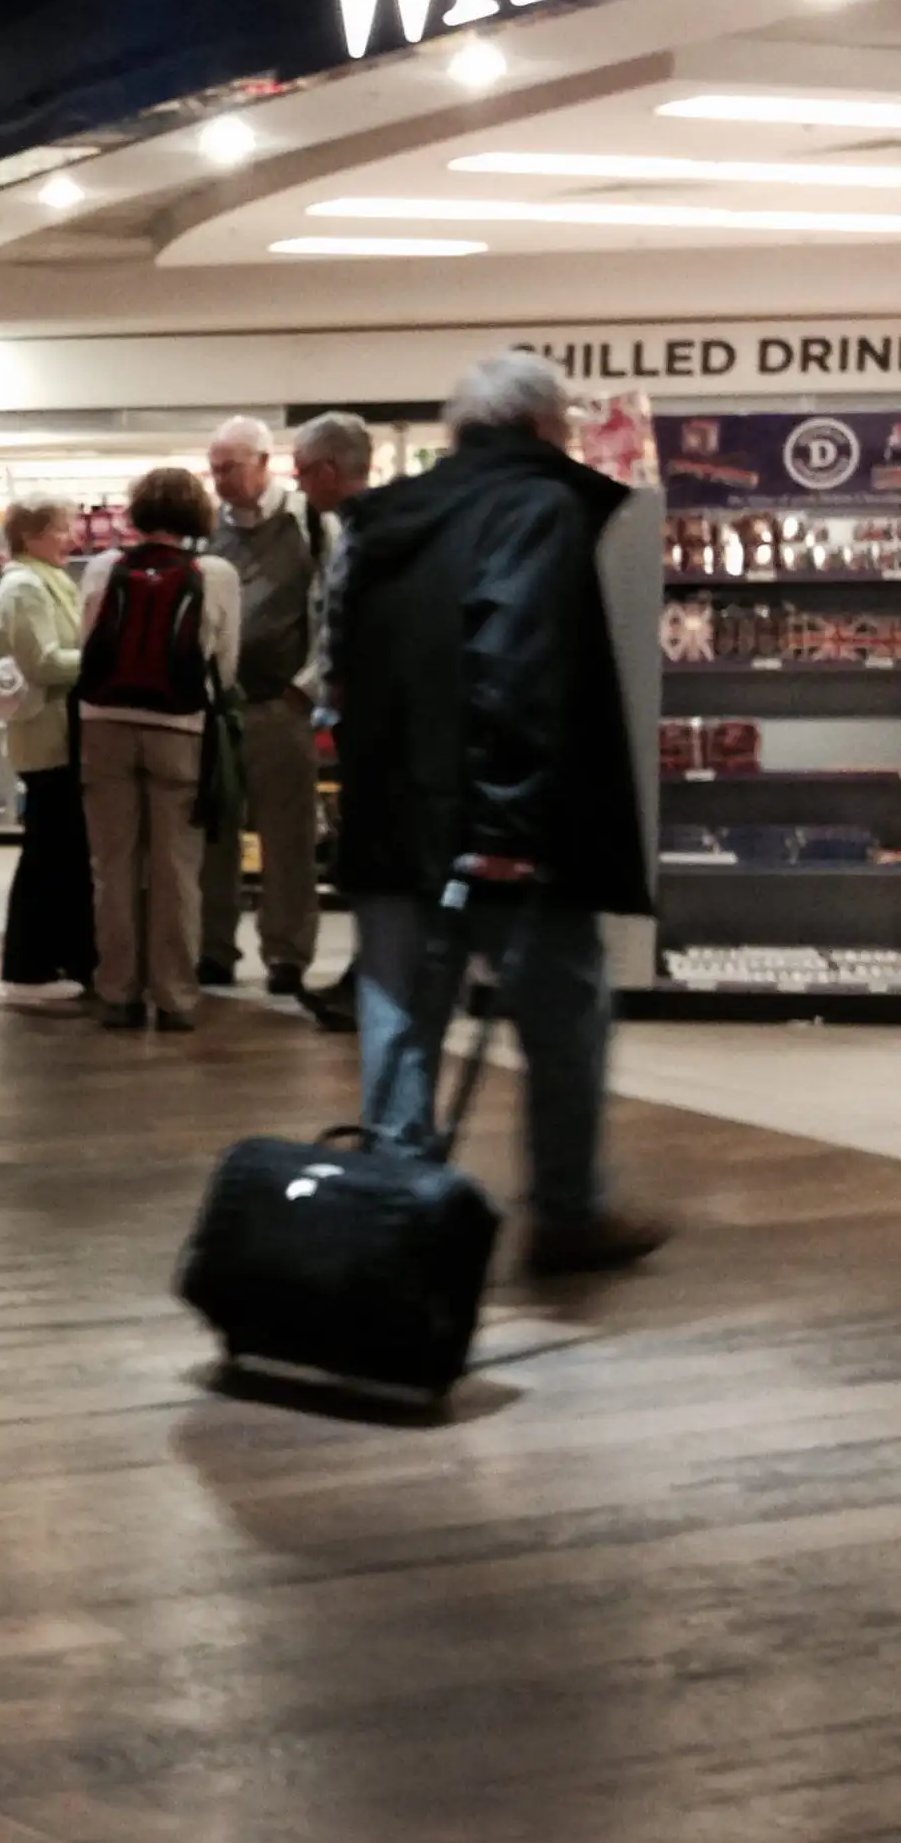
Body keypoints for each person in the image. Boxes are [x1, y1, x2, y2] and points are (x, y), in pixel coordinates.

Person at [334, 351, 663, 1275]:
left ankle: (392, 1218)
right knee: (563, 1018)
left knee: (400, 1020)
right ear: (545, 425)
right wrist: (510, 826)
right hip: (509, 836)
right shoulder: (544, 509)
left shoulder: (385, 518)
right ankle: (565, 1209)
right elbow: (519, 659)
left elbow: (345, 672)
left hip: (395, 823)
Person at [76, 466, 241, 1030]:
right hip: (181, 729)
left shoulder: (104, 566)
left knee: (113, 865)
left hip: (104, 726)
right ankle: (174, 997)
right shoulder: (214, 572)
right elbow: (225, 663)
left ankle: (118, 992)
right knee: (176, 868)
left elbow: (85, 644)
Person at [200, 416, 327, 1001]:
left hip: (282, 703)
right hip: (220, 707)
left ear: (263, 463)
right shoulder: (208, 530)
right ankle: (213, 948)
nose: (220, 478)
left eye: (230, 467)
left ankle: (287, 953)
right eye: (215, 468)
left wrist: (308, 686)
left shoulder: (311, 525)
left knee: (288, 838)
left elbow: (330, 611)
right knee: (216, 834)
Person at [0, 495, 94, 1005]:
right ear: (30, 535)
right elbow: (43, 663)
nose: (71, 538)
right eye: (60, 529)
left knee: (57, 852)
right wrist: (101, 658)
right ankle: (30, 964)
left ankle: (55, 958)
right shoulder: (25, 586)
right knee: (51, 853)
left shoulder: (46, 581)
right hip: (47, 737)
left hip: (58, 735)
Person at [287, 411, 378, 1033]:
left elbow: (349, 631)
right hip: (367, 721)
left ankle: (373, 985)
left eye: (301, 472)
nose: (298, 485)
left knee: (376, 857)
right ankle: (364, 980)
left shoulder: (366, 534)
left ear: (326, 470)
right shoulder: (355, 531)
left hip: (378, 724)